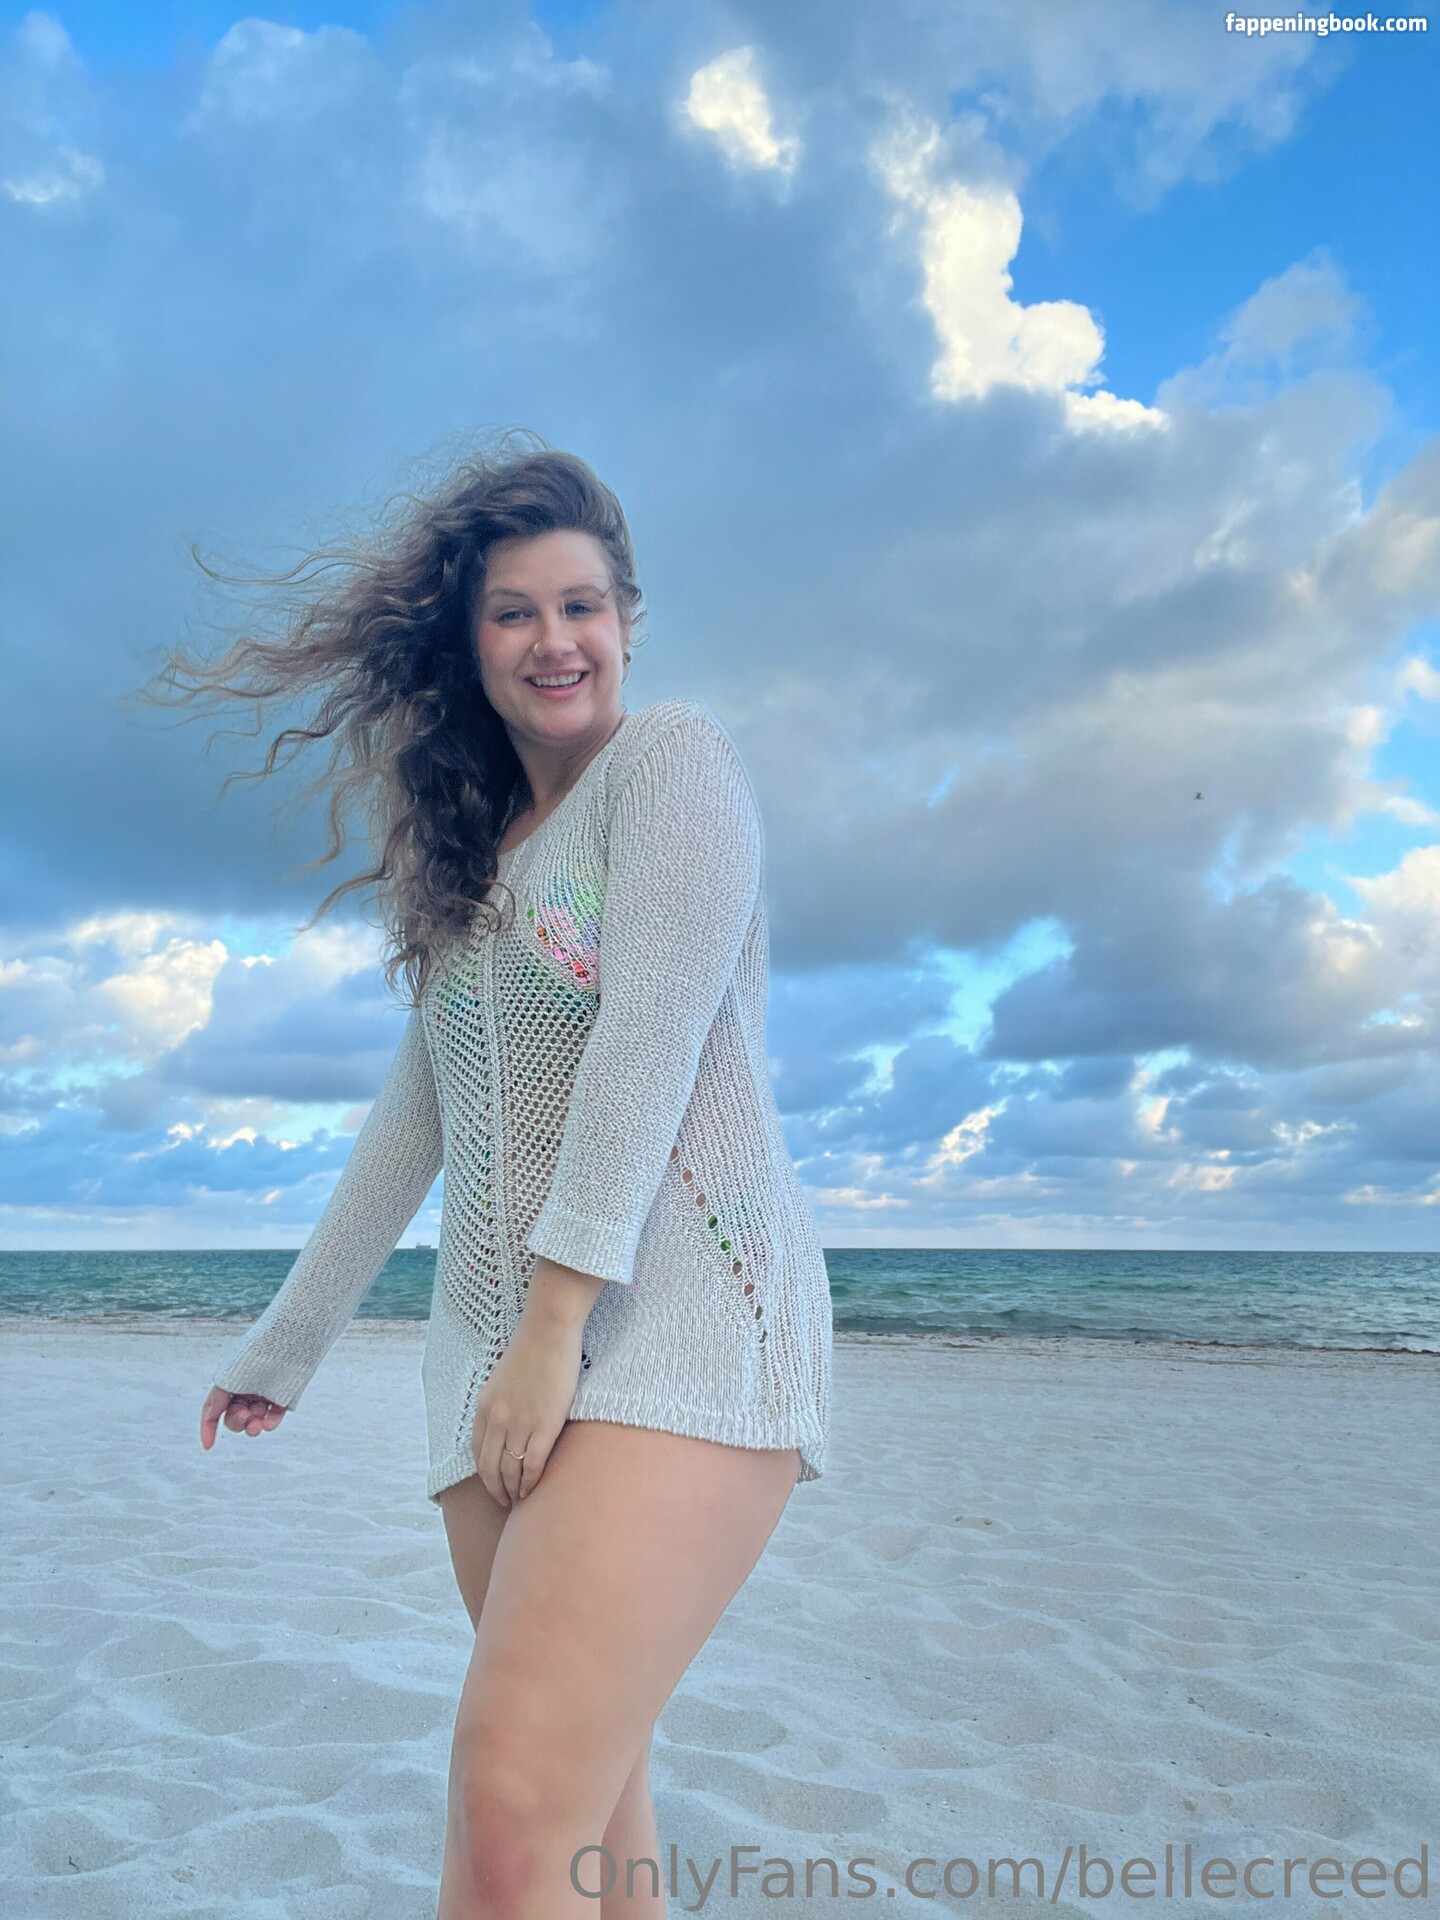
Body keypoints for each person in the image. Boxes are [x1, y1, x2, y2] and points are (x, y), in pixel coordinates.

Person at [172, 432, 833, 1917]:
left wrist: (553, 1331)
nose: (555, 640)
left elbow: (647, 1043)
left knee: (510, 1815)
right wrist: (288, 1341)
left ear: (629, 620)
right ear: (468, 645)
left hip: (675, 1327)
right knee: (591, 1818)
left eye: (581, 604)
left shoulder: (673, 765)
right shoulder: (474, 867)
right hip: (487, 1359)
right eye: (515, 612)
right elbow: (415, 1119)